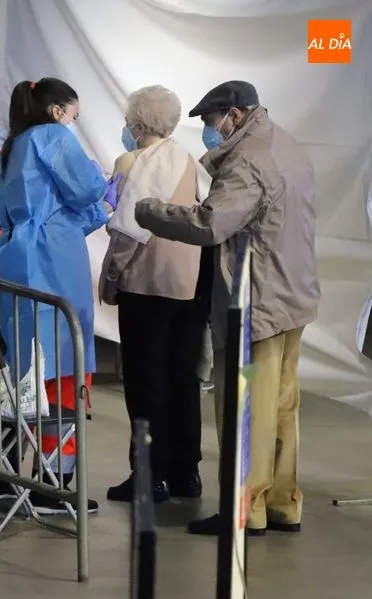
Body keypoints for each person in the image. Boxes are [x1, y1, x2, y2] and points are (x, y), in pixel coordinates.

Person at [134, 80, 320, 536]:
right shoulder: (285, 144)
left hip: (256, 306)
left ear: (234, 115)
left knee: (245, 407)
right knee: (281, 407)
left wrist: (149, 211)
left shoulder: (247, 161)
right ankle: (282, 504)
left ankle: (244, 511)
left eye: (210, 121)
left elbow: (210, 223)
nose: (208, 130)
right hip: (292, 297)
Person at [0, 78, 115, 515]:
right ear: (59, 111)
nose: (74, 124)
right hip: (53, 264)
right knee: (62, 371)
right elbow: (85, 189)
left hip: (12, 255)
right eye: (74, 116)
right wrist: (103, 184)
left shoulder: (11, 147)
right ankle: (53, 485)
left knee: (19, 370)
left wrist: (96, 208)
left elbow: (30, 207)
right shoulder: (54, 137)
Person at [97, 85, 204, 504]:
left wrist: (110, 278)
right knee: (183, 377)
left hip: (146, 286)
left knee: (145, 382)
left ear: (139, 125)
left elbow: (129, 229)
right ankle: (186, 472)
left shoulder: (134, 162)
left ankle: (149, 475)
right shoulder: (187, 159)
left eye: (129, 122)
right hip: (187, 284)